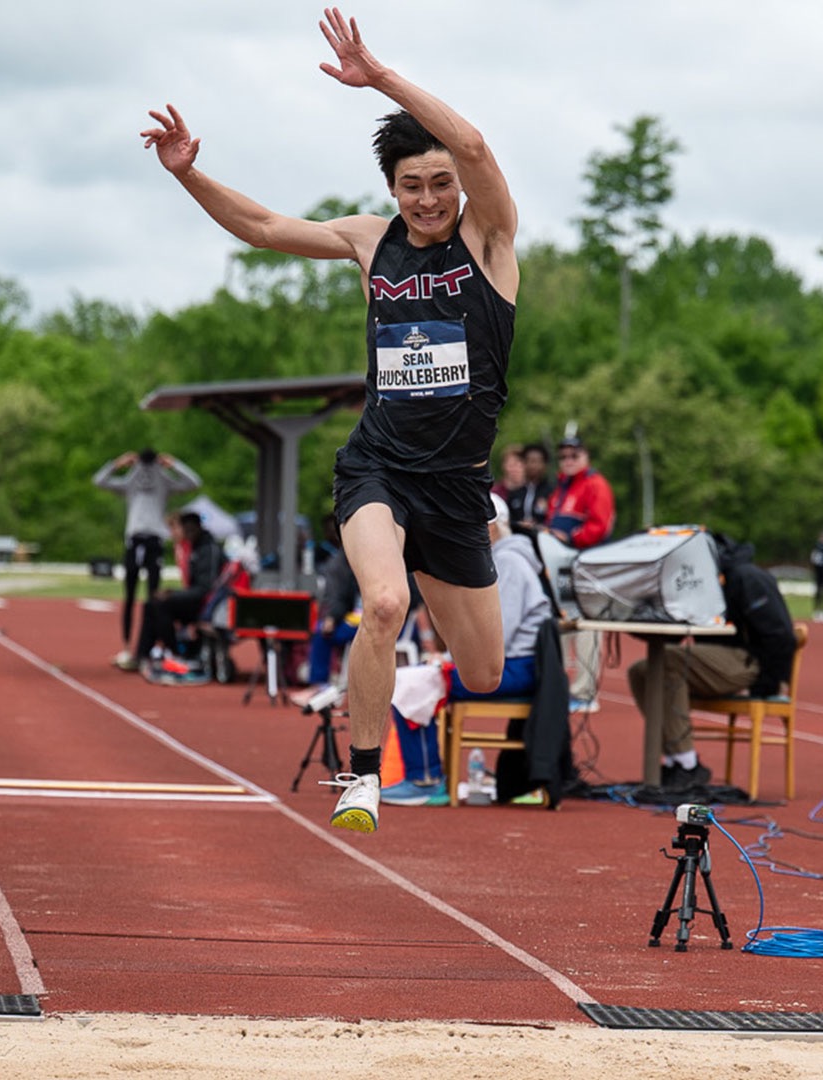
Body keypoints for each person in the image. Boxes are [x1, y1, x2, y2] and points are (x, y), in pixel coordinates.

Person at [143, 8, 519, 833]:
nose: (426, 199)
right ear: (392, 190)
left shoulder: (489, 242)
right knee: (381, 603)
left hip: (458, 488)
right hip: (378, 468)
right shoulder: (368, 241)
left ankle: (423, 604)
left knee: (486, 672)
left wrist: (378, 76)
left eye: (438, 183)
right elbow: (266, 228)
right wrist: (186, 174)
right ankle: (361, 776)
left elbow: (480, 148)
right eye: (411, 186)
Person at [384, 494, 553, 806]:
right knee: (413, 680)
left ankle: (426, 780)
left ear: (490, 528)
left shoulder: (509, 563)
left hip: (514, 667)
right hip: (510, 662)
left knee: (410, 684)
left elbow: (499, 633)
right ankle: (425, 776)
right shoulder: (499, 559)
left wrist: (448, 660)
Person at [626, 534, 796, 791]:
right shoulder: (698, 582)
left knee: (670, 662)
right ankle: (674, 760)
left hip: (749, 663)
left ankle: (688, 766)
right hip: (716, 659)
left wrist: (768, 683)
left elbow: (782, 635)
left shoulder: (748, 578)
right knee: (641, 671)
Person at [94, 448, 203, 670]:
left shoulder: (164, 481)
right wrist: (118, 463)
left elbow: (194, 482)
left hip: (154, 540)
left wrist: (173, 464)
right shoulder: (130, 482)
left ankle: (148, 648)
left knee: (154, 599)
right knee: (130, 595)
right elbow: (99, 481)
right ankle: (127, 648)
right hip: (134, 540)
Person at [545, 433, 615, 709]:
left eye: (574, 455)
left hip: (587, 565)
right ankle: (559, 686)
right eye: (563, 456)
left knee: (587, 625)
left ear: (586, 456)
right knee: (564, 622)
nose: (568, 460)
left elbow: (599, 526)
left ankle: (585, 692)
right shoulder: (561, 489)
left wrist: (572, 539)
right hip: (563, 567)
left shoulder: (595, 485)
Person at [130, 512, 224, 679]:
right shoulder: (193, 547)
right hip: (197, 598)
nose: (172, 533)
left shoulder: (208, 549)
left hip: (207, 604)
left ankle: (174, 653)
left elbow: (205, 588)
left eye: (175, 528)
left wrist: (174, 594)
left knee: (162, 605)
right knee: (152, 603)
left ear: (188, 529)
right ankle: (143, 655)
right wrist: (174, 592)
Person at [305, 513, 359, 688]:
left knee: (322, 633)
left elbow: (339, 595)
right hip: (358, 617)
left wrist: (332, 617)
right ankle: (322, 682)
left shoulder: (341, 561)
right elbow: (341, 596)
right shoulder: (342, 559)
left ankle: (320, 683)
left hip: (377, 620)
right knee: (322, 629)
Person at [507, 442, 552, 532]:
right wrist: (519, 524)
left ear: (545, 464)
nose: (533, 465)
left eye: (538, 461)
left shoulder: (553, 491)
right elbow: (507, 520)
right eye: (529, 461)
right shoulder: (515, 494)